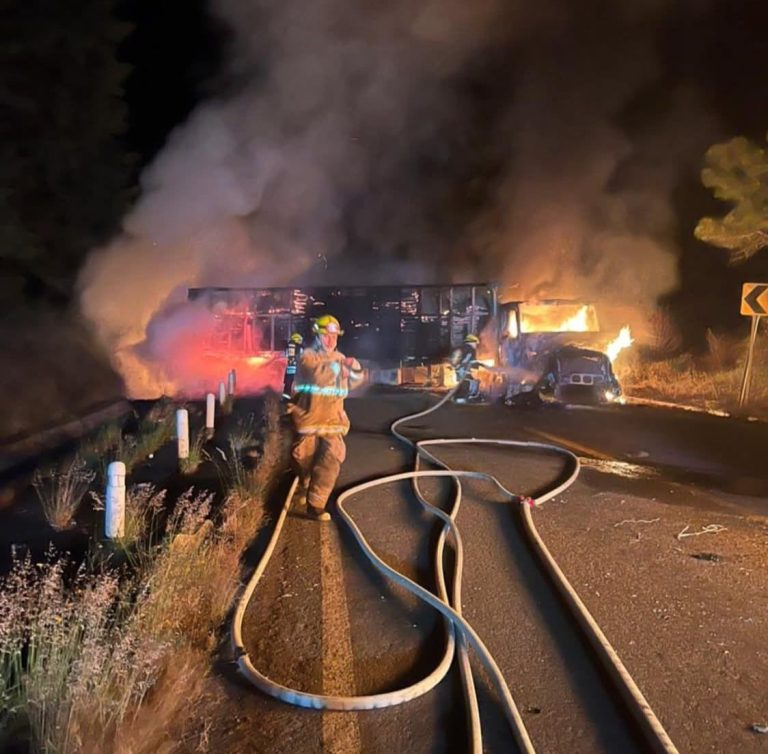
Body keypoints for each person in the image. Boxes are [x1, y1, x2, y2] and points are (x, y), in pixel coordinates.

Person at [288, 314, 363, 522]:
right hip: (308, 418)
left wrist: (355, 368)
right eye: (326, 336)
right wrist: (339, 368)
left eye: (334, 336)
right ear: (317, 336)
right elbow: (317, 376)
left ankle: (316, 505)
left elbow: (355, 382)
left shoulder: (340, 358)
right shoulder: (307, 357)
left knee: (332, 458)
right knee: (304, 458)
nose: (331, 340)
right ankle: (304, 482)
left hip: (333, 420)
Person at [449, 334, 481, 402]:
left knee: (462, 382)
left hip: (459, 369)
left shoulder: (461, 347)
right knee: (468, 382)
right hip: (464, 370)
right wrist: (477, 367)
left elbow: (456, 359)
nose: (476, 345)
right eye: (475, 343)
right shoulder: (471, 349)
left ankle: (456, 397)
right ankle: (462, 398)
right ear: (472, 342)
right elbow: (472, 361)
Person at [282, 332, 304, 399]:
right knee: (299, 384)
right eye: (300, 340)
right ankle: (298, 398)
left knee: (288, 384)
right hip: (297, 369)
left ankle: (286, 398)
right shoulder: (300, 347)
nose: (301, 342)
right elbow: (302, 357)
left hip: (290, 369)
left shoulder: (289, 346)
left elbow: (285, 355)